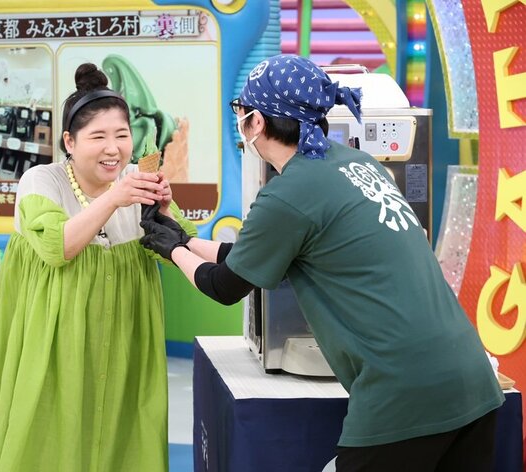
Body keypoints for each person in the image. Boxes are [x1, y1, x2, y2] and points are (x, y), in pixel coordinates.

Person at [140, 54, 504, 472]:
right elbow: (249, 259)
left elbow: (225, 285)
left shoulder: (288, 193)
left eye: (241, 111)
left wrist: (170, 250)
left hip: (403, 393)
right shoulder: (359, 164)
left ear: (257, 122)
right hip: (471, 379)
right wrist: (184, 239)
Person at [0, 63, 196, 472]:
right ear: (69, 141)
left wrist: (165, 210)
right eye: (98, 137)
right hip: (53, 341)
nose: (113, 148)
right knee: (48, 434)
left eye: (121, 135)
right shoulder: (41, 181)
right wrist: (115, 199)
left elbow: (178, 248)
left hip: (125, 341)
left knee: (123, 436)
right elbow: (57, 246)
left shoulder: (135, 182)